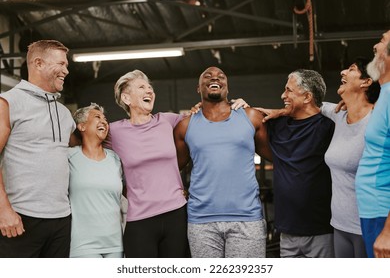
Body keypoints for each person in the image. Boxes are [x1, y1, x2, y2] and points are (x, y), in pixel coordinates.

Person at [106, 69, 246, 258]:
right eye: (141, 87)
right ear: (126, 98)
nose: (149, 91)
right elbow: (83, 141)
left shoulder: (168, 121)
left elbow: (209, 117)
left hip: (176, 214)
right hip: (140, 219)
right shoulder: (114, 132)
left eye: (150, 88)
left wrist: (237, 107)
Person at [173, 66, 272, 258]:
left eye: (220, 76)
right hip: (201, 221)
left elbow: (276, 155)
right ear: (198, 88)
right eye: (207, 76)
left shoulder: (251, 117)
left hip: (247, 218)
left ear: (227, 87)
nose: (214, 78)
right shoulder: (185, 126)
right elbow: (174, 167)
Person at [0, 40, 75, 257]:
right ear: (39, 63)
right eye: (60, 64)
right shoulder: (8, 102)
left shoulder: (64, 113)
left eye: (67, 65)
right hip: (20, 218)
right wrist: (4, 210)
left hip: (61, 219)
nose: (66, 71)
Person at [258, 69, 335, 258]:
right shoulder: (277, 124)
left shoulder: (330, 127)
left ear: (307, 96)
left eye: (289, 90)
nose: (283, 95)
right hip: (286, 232)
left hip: (322, 231)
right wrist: (242, 106)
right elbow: (249, 121)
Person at [321, 58, 380, 258]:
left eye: (352, 69)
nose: (343, 72)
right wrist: (278, 111)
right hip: (340, 226)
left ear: (366, 82)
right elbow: (309, 105)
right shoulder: (338, 115)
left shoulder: (379, 121)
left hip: (370, 228)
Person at [68, 103, 124, 258]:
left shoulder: (116, 159)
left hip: (116, 245)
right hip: (83, 245)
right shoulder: (68, 156)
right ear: (82, 126)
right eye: (97, 117)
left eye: (105, 119)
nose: (104, 122)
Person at [355, 30, 390, 258]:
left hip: (382, 214)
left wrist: (388, 231)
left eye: (381, 41)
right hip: (372, 211)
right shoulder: (384, 95)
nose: (375, 47)